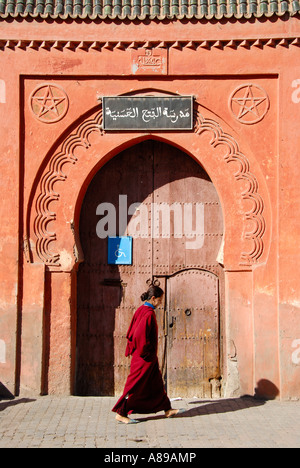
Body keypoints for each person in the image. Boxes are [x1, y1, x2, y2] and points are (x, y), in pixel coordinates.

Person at [112, 282, 184, 424]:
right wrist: (146, 352)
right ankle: (121, 412)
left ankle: (167, 409)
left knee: (156, 383)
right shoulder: (148, 314)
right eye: (160, 300)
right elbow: (139, 335)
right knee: (135, 384)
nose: (160, 303)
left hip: (147, 356)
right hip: (144, 357)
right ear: (153, 299)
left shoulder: (141, 310)